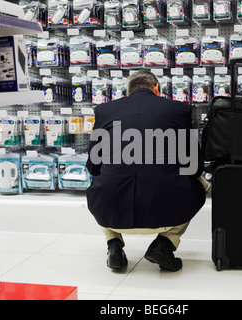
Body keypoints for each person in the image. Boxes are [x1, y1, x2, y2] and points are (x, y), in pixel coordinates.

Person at [86, 69, 208, 272]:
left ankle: (114, 244)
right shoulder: (179, 109)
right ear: (156, 88)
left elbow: (93, 166)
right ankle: (165, 244)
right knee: (200, 185)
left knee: (99, 183)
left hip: (112, 210)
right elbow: (194, 165)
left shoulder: (104, 111)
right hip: (164, 209)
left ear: (127, 92)